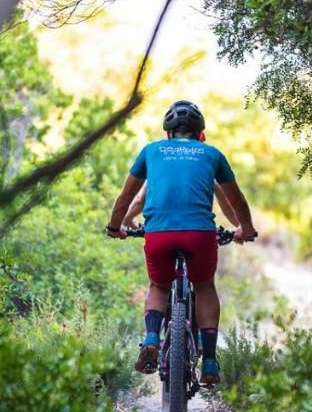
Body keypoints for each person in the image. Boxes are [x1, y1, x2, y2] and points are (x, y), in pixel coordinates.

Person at [105, 100, 257, 385]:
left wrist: (116, 225)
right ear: (200, 132)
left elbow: (127, 197)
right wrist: (245, 229)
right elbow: (235, 200)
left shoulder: (151, 151)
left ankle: (151, 336)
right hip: (200, 235)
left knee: (159, 286)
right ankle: (210, 362)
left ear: (168, 133)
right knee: (204, 286)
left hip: (158, 234)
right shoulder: (211, 154)